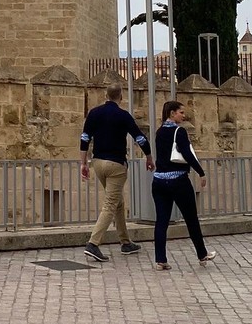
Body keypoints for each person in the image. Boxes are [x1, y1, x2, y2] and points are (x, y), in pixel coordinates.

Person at [79, 84, 154, 264]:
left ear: (106, 95)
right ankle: (93, 243)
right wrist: (149, 157)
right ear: (120, 97)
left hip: (98, 163)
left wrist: (83, 163)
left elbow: (84, 138)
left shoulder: (94, 113)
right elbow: (140, 138)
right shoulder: (123, 116)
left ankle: (125, 242)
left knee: (118, 201)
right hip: (116, 165)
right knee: (110, 204)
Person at [152, 100, 216, 270]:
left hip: (159, 180)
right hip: (178, 180)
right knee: (191, 218)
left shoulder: (159, 132)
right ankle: (202, 254)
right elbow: (187, 154)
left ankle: (160, 259)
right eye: (181, 112)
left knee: (161, 221)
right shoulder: (179, 131)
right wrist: (200, 171)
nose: (184, 115)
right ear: (172, 113)